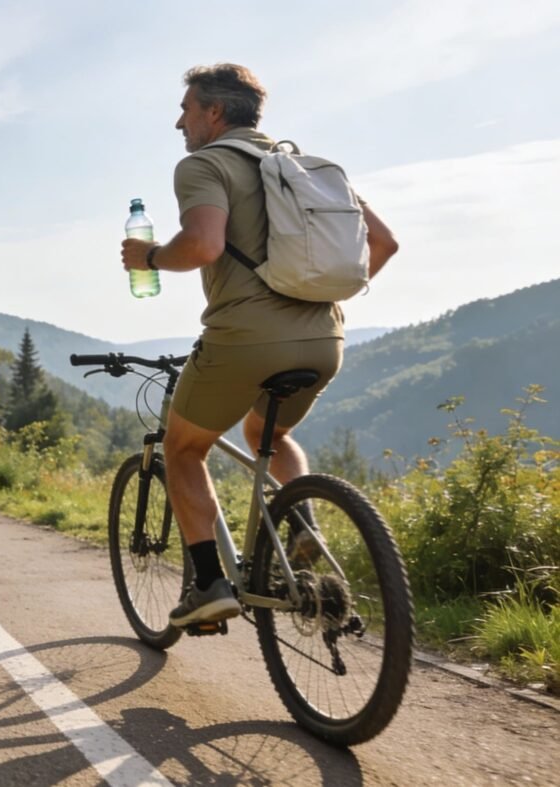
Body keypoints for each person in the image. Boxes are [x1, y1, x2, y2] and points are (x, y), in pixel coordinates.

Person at [119, 63, 399, 627]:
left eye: (187, 108)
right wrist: (309, 303)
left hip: (245, 339)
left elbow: (201, 244)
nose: (180, 121)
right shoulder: (309, 168)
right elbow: (384, 244)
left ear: (214, 112)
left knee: (183, 449)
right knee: (270, 433)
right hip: (325, 338)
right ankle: (304, 532)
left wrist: (146, 257)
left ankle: (207, 584)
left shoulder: (204, 164)